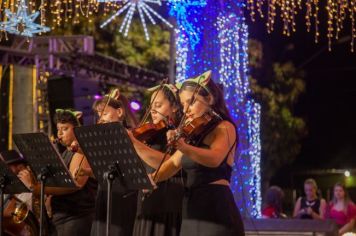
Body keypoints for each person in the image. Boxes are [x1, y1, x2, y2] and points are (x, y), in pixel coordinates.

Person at [153, 71, 245, 235]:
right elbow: (173, 164)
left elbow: (215, 158)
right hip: (191, 207)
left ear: (209, 99)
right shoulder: (192, 134)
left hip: (215, 206)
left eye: (192, 102)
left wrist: (183, 146)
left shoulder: (224, 127)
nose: (186, 109)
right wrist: (150, 179)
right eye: (183, 104)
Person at [18, 109, 97, 236]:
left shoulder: (81, 150)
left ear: (76, 129)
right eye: (58, 129)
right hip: (61, 217)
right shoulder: (65, 153)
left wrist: (36, 188)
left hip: (75, 218)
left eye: (65, 129)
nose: (59, 133)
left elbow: (73, 186)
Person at [130, 84, 185, 236]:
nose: (152, 110)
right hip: (145, 204)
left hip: (166, 204)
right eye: (151, 106)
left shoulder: (177, 134)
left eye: (158, 105)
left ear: (174, 107)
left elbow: (170, 162)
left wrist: (135, 144)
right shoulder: (150, 134)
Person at [89, 91, 139, 236]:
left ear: (119, 111)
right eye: (99, 114)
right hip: (105, 190)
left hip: (124, 194)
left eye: (104, 113)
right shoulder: (102, 138)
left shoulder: (131, 135)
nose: (101, 118)